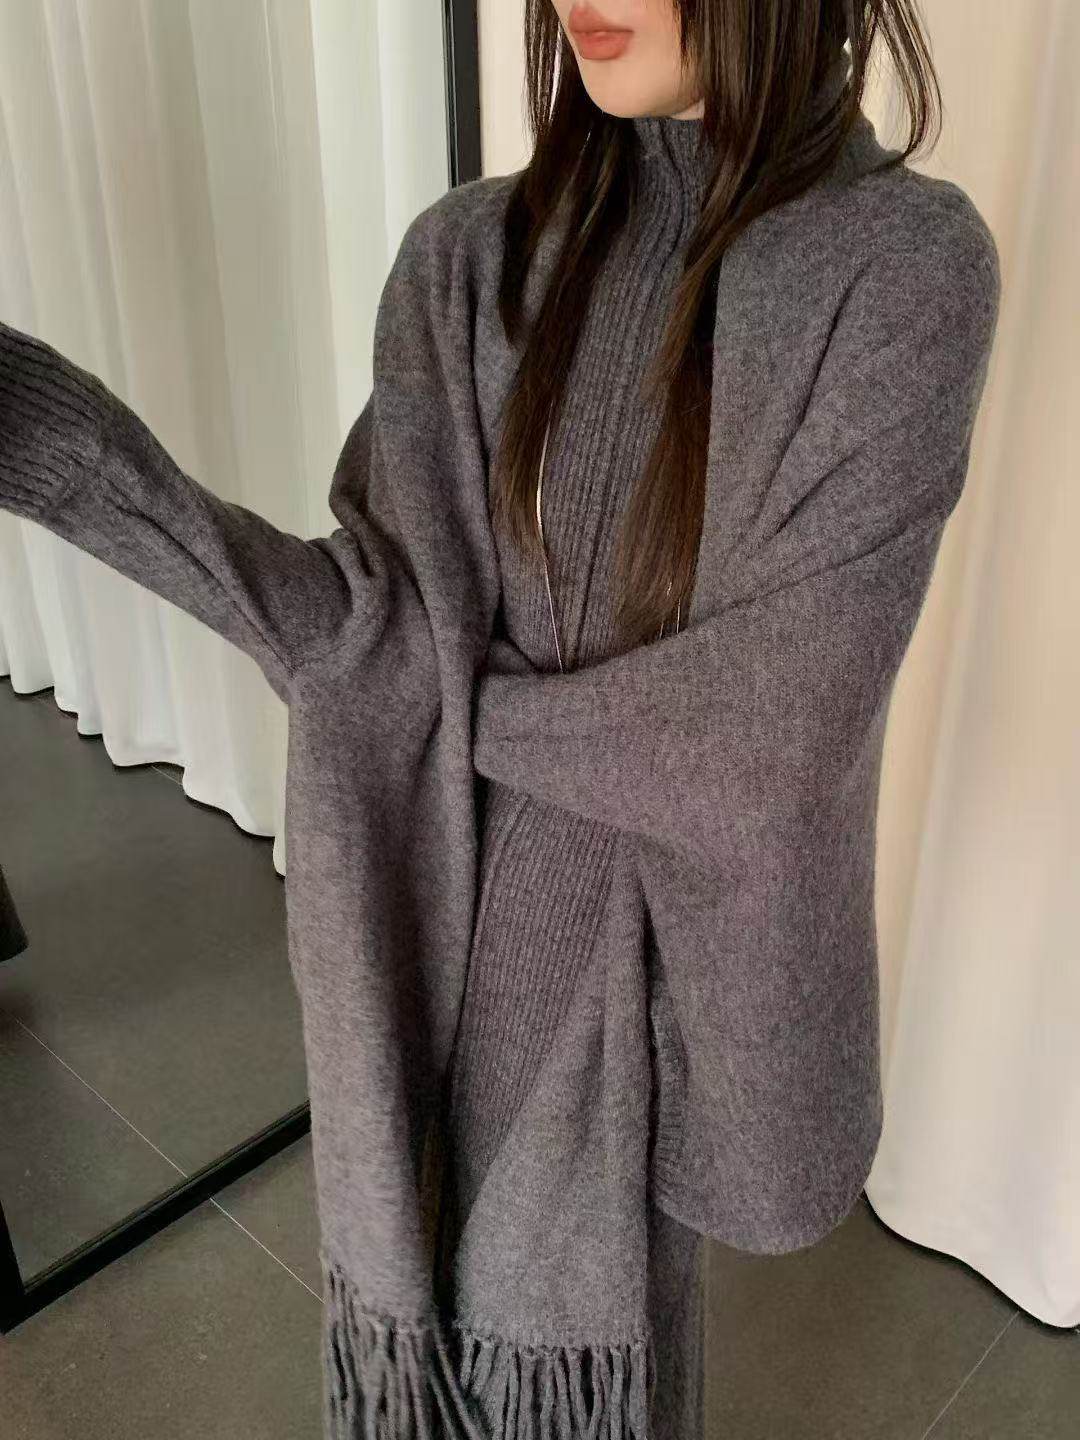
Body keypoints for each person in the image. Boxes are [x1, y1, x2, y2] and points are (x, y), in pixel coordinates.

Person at [0, 3, 1001, 1435]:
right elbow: (372, 633)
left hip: (663, 982)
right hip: (435, 918)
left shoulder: (897, 268)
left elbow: (766, 738)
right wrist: (80, 462)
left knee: (595, 1382)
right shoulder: (466, 259)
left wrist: (446, 707)